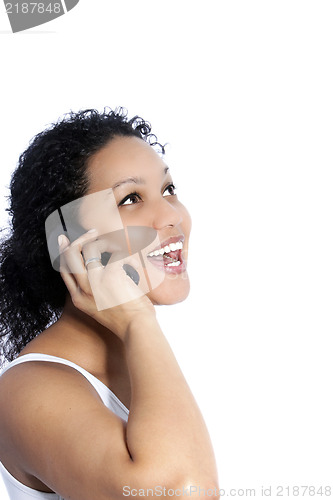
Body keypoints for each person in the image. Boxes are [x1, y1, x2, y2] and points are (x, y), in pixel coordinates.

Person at [0, 108, 219, 500]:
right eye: (131, 198)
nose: (172, 216)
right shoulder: (28, 391)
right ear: (67, 242)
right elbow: (183, 493)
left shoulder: (140, 358)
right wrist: (138, 320)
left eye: (168, 189)